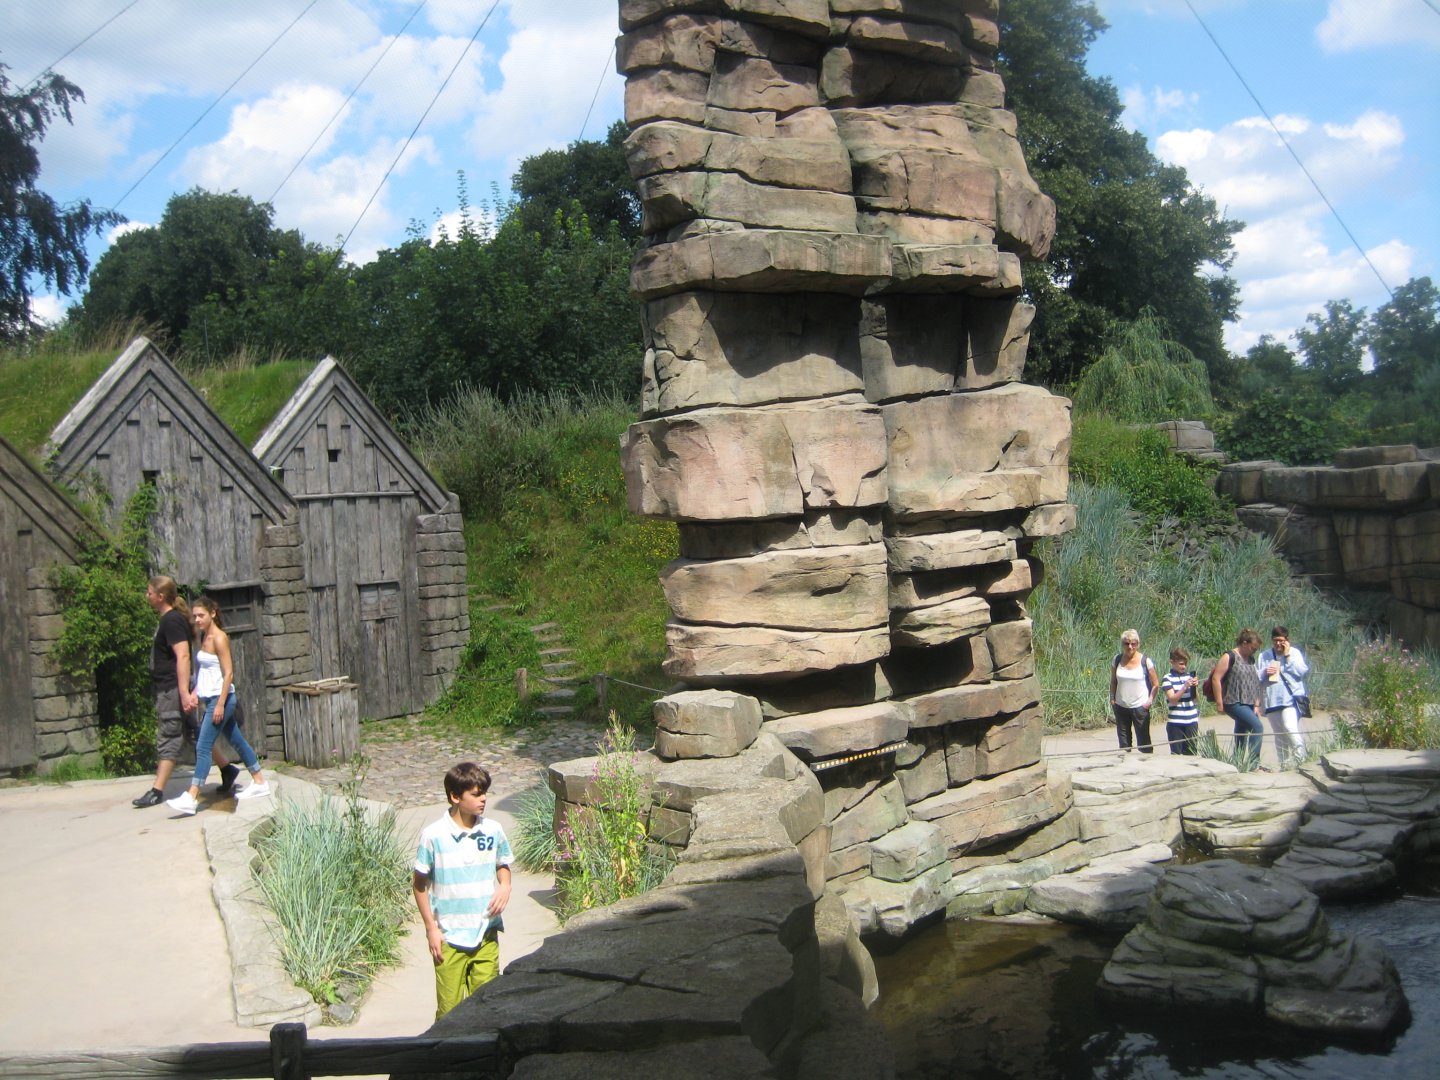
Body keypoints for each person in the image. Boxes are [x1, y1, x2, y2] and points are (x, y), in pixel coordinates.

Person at [414, 763, 513, 1018]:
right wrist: (431, 929)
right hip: (448, 937)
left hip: (485, 932)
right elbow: (419, 884)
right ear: (455, 797)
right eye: (477, 794)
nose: (484, 799)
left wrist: (505, 885)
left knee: (488, 1008)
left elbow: (502, 863)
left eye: (485, 793)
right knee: (450, 1014)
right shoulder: (433, 836)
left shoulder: (492, 830)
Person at [132, 576, 236, 808]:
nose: (146, 596)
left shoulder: (171, 621)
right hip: (171, 687)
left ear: (160, 597)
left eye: (149, 592)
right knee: (196, 733)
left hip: (172, 688)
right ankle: (227, 769)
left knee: (169, 733)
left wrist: (183, 692)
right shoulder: (170, 619)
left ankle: (157, 790)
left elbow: (183, 656)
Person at [166, 597, 270, 814]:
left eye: (201, 615)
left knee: (203, 746)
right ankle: (260, 781)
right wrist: (195, 693)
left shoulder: (220, 638)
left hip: (221, 700)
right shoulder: (205, 637)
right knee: (237, 741)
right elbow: (205, 672)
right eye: (194, 616)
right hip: (211, 698)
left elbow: (228, 673)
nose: (197, 620)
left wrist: (221, 704)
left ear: (213, 613)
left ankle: (192, 796)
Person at [1209, 629, 1265, 768]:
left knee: (1242, 731)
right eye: (1253, 648)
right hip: (1233, 701)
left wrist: (1257, 704)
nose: (1254, 651)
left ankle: (1238, 763)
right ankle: (1253, 765)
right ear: (1244, 643)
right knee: (1257, 727)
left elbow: (1255, 681)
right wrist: (1219, 703)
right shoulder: (1229, 656)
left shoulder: (1251, 659)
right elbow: (1216, 678)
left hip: (1249, 702)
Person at [1259, 625, 1309, 769]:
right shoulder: (1265, 655)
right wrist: (1264, 672)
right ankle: (1285, 765)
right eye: (1275, 641)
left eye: (1281, 640)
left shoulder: (1295, 653)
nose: (1278, 644)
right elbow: (1257, 677)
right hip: (1272, 699)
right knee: (1279, 735)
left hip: (1291, 699)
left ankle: (1302, 760)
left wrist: (1287, 656)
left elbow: (1301, 672)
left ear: (1287, 640)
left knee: (1289, 727)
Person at [1110, 630, 1158, 753]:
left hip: (1140, 707)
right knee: (1124, 744)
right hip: (1121, 706)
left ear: (1138, 644)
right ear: (1122, 644)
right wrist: (1112, 698)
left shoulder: (1146, 661)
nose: (1130, 647)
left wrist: (1150, 701)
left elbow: (1155, 684)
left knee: (1144, 743)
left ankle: (1147, 768)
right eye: (1126, 644)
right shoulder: (1117, 659)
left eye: (1133, 644)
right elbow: (1114, 681)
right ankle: (1125, 768)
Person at [1162, 647, 1201, 755]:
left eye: (1185, 664)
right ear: (1172, 662)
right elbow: (1172, 699)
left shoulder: (1189, 676)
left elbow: (1196, 700)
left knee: (1192, 753)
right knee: (1176, 755)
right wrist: (1184, 687)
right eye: (1181, 664)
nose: (1183, 666)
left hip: (1192, 721)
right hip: (1176, 723)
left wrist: (1195, 687)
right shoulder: (1167, 678)